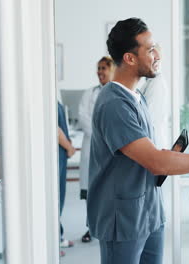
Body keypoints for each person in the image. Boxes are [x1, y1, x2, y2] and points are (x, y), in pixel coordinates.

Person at [87, 18, 189, 264]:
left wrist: (173, 156)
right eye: (150, 49)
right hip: (123, 219)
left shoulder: (137, 97)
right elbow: (156, 162)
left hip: (149, 211)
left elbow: (149, 156)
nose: (157, 54)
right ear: (129, 58)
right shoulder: (115, 104)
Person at [78, 56, 115, 243]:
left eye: (103, 68)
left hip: (110, 149)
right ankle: (90, 228)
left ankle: (106, 227)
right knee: (90, 190)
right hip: (91, 144)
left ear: (112, 70)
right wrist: (100, 134)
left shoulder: (116, 93)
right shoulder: (89, 93)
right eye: (98, 68)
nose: (100, 72)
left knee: (107, 189)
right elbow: (82, 116)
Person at [57, 101, 76, 256]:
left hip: (60, 155)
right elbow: (55, 129)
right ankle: (53, 241)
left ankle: (58, 236)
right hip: (58, 154)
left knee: (58, 199)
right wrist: (69, 147)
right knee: (56, 200)